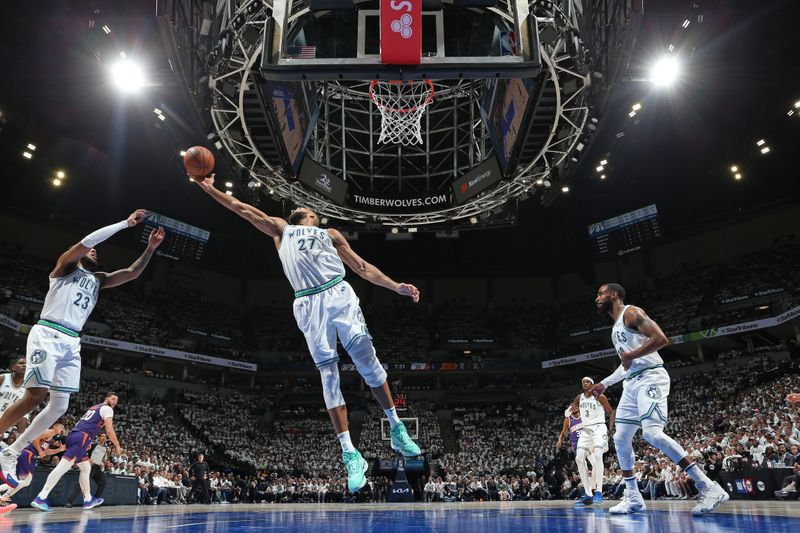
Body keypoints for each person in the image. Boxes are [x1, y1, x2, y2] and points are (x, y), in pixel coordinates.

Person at [193, 174, 421, 493]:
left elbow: (363, 268)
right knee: (328, 376)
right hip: (307, 304)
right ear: (305, 216)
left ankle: (396, 427)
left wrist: (396, 286)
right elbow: (240, 208)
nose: (307, 208)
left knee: (366, 360)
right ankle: (350, 454)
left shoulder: (330, 234)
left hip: (338, 294)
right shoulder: (281, 229)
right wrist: (209, 188)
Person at [0, 210, 163, 488]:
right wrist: (126, 224)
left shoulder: (98, 279)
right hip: (49, 332)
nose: (94, 252)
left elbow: (133, 273)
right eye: (92, 251)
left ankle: (12, 451)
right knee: (34, 397)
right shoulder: (64, 268)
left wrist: (150, 248)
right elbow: (88, 240)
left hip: (72, 341)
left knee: (59, 405)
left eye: (97, 253)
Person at [592, 283, 728, 515]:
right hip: (632, 382)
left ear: (614, 295)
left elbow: (661, 338)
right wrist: (605, 383)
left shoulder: (631, 313)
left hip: (650, 378)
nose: (597, 298)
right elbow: (627, 364)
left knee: (652, 433)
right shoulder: (615, 327)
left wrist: (632, 355)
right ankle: (633, 497)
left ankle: (708, 485)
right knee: (621, 438)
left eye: (601, 293)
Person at [30, 392, 122, 511]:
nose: (114, 401)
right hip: (81, 438)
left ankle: (88, 499)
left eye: (116, 400)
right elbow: (109, 430)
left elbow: (85, 424)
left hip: (77, 435)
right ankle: (41, 497)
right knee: (63, 467)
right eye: (113, 398)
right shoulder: (107, 409)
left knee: (85, 468)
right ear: (107, 398)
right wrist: (118, 446)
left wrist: (86, 442)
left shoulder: (94, 407)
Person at [0, 422, 66, 513]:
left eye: (63, 426)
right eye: (60, 426)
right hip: (27, 454)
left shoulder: (51, 437)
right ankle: (4, 496)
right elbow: (35, 438)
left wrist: (58, 450)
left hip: (31, 456)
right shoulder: (49, 432)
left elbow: (45, 451)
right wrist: (39, 451)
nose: (62, 428)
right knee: (24, 480)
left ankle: (4, 496)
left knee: (25, 482)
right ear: (54, 426)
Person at [575, 377, 615, 505]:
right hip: (586, 430)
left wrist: (609, 429)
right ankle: (588, 493)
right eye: (583, 382)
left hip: (599, 427)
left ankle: (599, 491)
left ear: (592, 385)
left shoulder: (600, 397)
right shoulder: (579, 398)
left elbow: (611, 412)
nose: (585, 383)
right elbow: (572, 410)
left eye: (587, 382)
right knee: (579, 458)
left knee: (598, 456)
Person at [66, 433, 109, 507]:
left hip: (98, 468)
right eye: (102, 436)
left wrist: (103, 462)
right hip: (89, 466)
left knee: (103, 483)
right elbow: (83, 452)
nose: (103, 438)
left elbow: (102, 459)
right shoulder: (93, 445)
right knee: (81, 483)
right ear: (99, 438)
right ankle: (69, 502)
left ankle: (95, 500)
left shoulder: (105, 448)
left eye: (105, 437)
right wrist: (88, 459)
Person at [0, 357, 29, 440]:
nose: (25, 365)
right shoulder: (2, 379)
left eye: (27, 364)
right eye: (21, 363)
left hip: (4, 424)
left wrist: (21, 435)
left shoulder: (27, 389)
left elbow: (23, 413)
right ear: (13, 367)